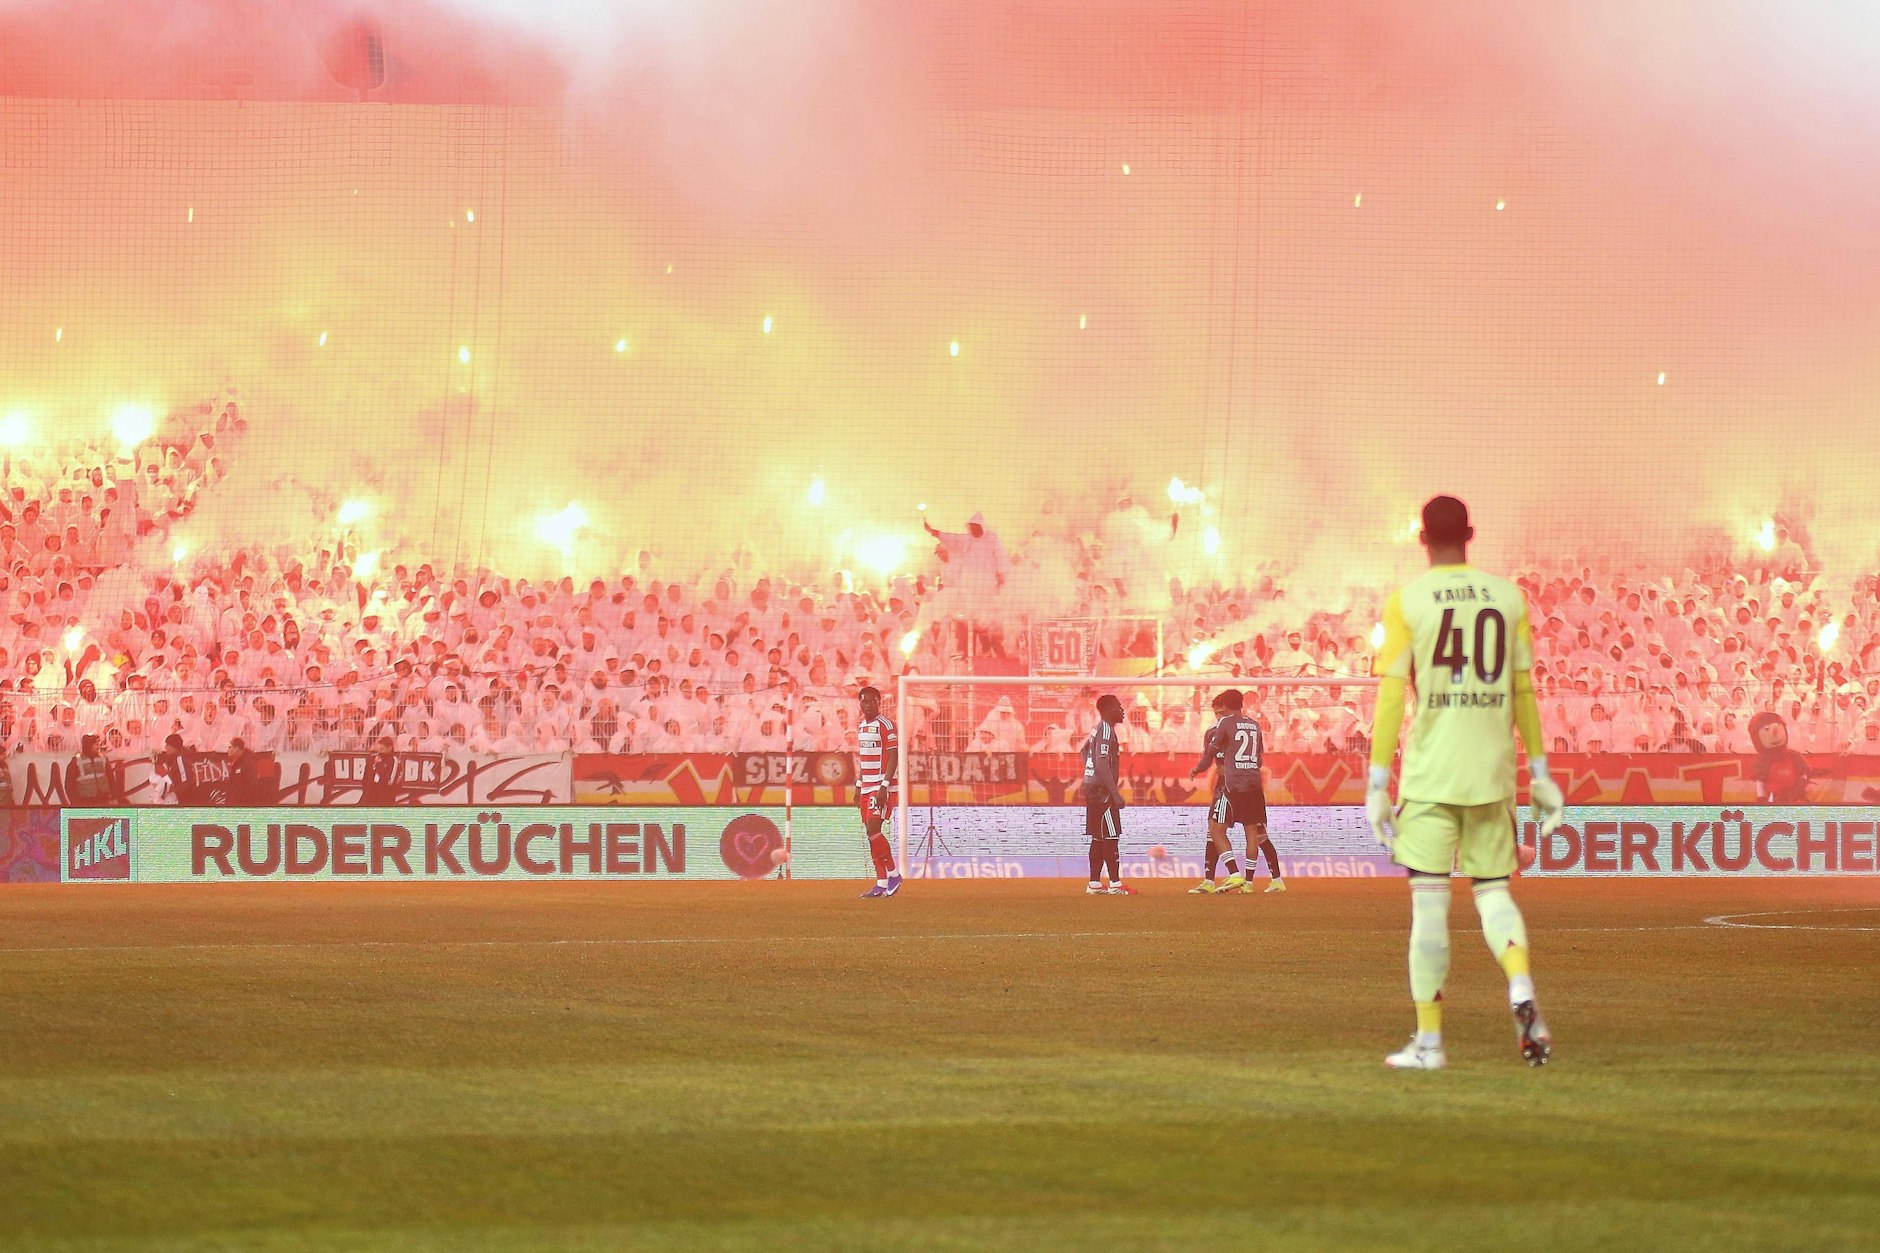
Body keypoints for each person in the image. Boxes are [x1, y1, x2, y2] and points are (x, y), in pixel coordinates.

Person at [1366, 495, 1565, 1071]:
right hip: (1491, 773)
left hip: (1430, 775)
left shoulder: (1408, 601)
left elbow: (1389, 697)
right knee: (1494, 893)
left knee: (1429, 906)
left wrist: (1379, 782)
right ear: (1470, 534)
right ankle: (1521, 989)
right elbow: (1524, 690)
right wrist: (1541, 774)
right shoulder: (1509, 598)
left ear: (1421, 538)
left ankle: (1429, 1045)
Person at [1187, 689, 1284, 895]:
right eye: (1216, 713)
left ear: (1225, 708)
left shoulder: (1224, 726)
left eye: (1220, 712)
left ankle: (1239, 876)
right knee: (1247, 832)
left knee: (1223, 830)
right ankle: (1216, 881)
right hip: (1250, 783)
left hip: (1230, 786)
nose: (1218, 717)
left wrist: (1198, 769)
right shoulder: (1254, 725)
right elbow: (1258, 759)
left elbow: (1209, 756)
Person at [854, 686, 903, 899]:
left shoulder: (887, 726)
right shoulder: (861, 727)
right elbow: (864, 759)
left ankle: (894, 874)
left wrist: (884, 785)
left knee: (874, 829)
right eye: (864, 701)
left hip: (881, 787)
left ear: (878, 703)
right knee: (870, 833)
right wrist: (858, 784)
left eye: (872, 701)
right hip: (866, 786)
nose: (867, 705)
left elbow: (893, 757)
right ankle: (881, 882)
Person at [1081, 693, 1132, 895]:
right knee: (1111, 835)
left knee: (1098, 837)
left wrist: (1089, 772)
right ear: (1111, 709)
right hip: (1102, 791)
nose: (1123, 711)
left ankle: (1094, 883)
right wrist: (1115, 793)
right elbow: (1101, 761)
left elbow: (1084, 751)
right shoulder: (1106, 731)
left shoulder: (1098, 729)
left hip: (1093, 788)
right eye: (1119, 707)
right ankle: (1115, 884)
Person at [68, 732, 120, 804]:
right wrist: (75, 802)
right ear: (89, 745)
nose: (98, 747)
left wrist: (114, 797)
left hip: (104, 799)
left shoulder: (103, 759)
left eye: (99, 744)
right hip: (85, 801)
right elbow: (69, 784)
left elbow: (111, 779)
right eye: (96, 744)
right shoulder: (76, 761)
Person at [361, 735, 399, 805]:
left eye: (382, 749)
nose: (379, 752)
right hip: (370, 795)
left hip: (385, 797)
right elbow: (366, 776)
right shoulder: (373, 758)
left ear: (389, 748)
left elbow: (389, 781)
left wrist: (379, 765)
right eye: (379, 749)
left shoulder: (393, 761)